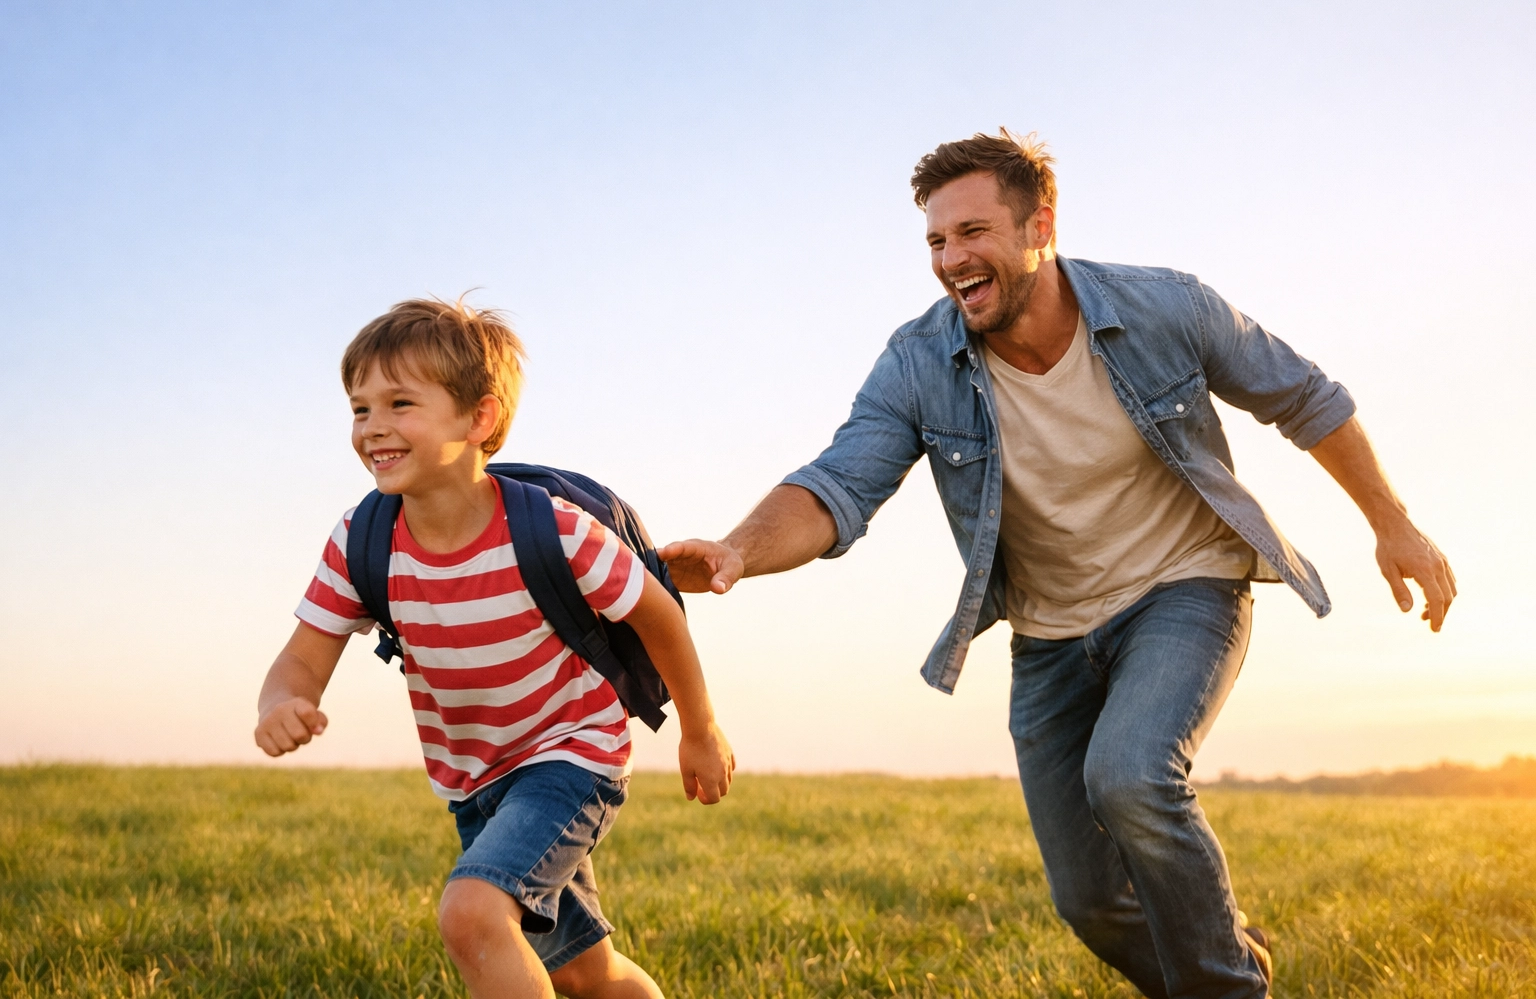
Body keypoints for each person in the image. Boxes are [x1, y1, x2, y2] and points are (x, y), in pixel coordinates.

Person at [659, 130, 1455, 999]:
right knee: (1089, 903)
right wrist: (739, 549)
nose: (951, 260)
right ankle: (1231, 960)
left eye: (971, 233)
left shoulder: (1166, 307)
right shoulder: (918, 361)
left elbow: (1304, 396)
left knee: (1133, 774)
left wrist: (1394, 523)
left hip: (1183, 586)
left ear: (1041, 223)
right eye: (935, 241)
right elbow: (839, 485)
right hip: (1046, 635)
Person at [254, 298, 734, 999]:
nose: (373, 427)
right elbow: (302, 656)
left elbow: (660, 615)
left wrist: (700, 728)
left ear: (479, 419)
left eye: (399, 403)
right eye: (360, 410)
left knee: (473, 915)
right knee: (584, 973)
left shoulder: (554, 531)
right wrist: (283, 701)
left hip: (572, 759)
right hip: (476, 782)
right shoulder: (364, 539)